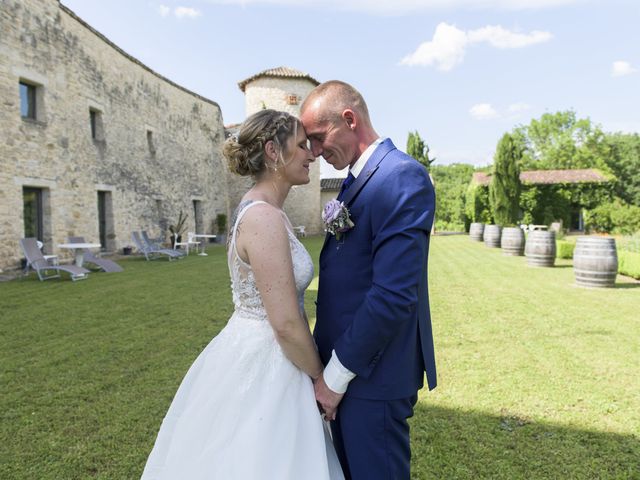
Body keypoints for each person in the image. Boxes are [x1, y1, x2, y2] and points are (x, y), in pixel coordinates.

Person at [141, 109, 344, 479]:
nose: (311, 154)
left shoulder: (266, 211)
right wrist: (320, 378)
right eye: (301, 146)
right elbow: (283, 322)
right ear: (272, 151)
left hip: (264, 348)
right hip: (269, 354)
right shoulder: (263, 217)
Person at [300, 81, 437, 480]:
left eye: (318, 138)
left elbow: (393, 295)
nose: (315, 151)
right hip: (347, 371)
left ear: (349, 119)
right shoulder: (355, 180)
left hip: (371, 376)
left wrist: (335, 378)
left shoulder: (401, 177)